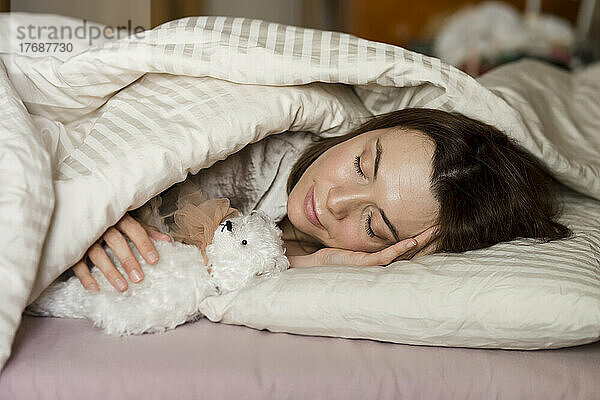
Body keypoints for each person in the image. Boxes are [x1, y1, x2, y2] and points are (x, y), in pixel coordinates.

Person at [71, 108, 571, 292]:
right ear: (370, 127)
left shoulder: (308, 247)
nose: (335, 201)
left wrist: (302, 263)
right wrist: (97, 210)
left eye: (374, 225)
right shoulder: (259, 145)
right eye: (361, 165)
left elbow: (224, 257)